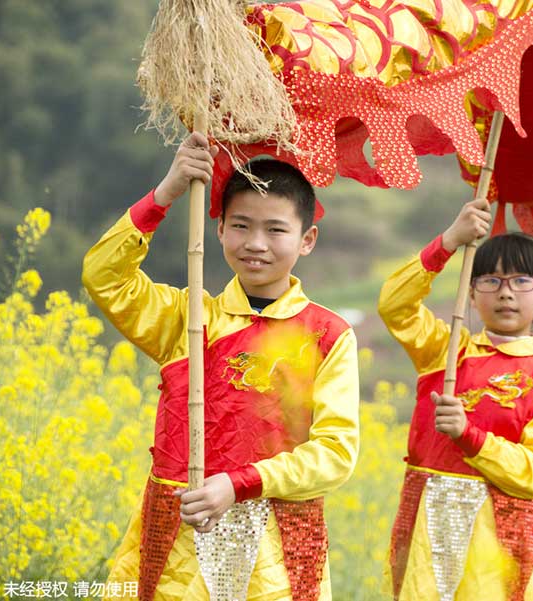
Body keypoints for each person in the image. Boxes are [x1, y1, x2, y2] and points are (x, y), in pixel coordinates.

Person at [82, 132, 359, 601]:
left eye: (275, 230)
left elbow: (335, 454)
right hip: (176, 541)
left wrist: (241, 483)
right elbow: (103, 277)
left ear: (307, 239)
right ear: (218, 230)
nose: (255, 244)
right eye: (240, 226)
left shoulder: (327, 335)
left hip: (276, 548)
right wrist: (166, 192)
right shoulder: (188, 320)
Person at [378, 197, 533, 601]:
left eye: (522, 281)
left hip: (501, 547)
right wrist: (448, 242)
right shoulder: (447, 352)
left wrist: (469, 436)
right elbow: (394, 307)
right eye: (491, 281)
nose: (506, 293)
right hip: (428, 538)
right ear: (471, 295)